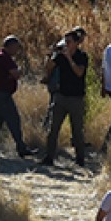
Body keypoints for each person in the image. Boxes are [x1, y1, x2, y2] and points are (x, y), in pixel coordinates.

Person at [41, 28, 90, 167]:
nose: (66, 44)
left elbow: (79, 72)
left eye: (69, 42)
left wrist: (69, 58)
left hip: (76, 98)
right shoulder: (60, 56)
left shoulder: (82, 56)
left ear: (76, 43)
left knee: (77, 131)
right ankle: (49, 157)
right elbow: (49, 68)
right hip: (61, 96)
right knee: (53, 128)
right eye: (65, 41)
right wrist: (51, 55)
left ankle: (80, 159)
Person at [0, 35, 36, 158]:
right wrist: (20, 70)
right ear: (10, 46)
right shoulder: (3, 58)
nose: (16, 51)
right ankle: (21, 148)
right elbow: (15, 74)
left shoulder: (1, 56)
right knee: (14, 119)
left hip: (0, 93)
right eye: (16, 48)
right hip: (3, 94)